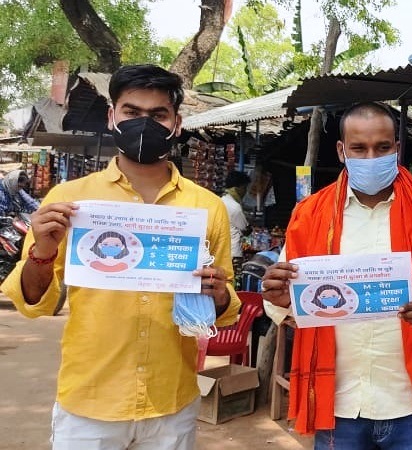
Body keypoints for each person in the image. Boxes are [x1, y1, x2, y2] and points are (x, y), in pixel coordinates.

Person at [0, 64, 241, 450]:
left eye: (158, 115)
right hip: (90, 401)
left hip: (170, 401)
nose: (144, 123)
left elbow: (225, 308)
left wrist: (218, 294)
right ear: (112, 116)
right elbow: (33, 303)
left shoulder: (207, 208)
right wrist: (42, 251)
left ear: (176, 124)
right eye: (132, 112)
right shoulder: (70, 199)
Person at [260, 101, 412, 449]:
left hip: (411, 403)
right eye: (359, 148)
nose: (371, 157)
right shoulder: (310, 215)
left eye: (382, 147)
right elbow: (285, 300)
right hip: (338, 405)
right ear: (341, 151)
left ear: (397, 149)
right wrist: (280, 298)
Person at [221, 170, 251, 260]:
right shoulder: (235, 206)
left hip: (221, 250)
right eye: (244, 188)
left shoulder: (221, 200)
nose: (245, 191)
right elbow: (245, 229)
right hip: (233, 252)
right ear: (237, 188)